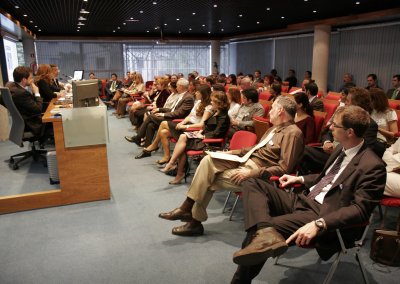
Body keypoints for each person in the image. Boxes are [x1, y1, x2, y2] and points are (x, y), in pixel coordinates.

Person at [231, 105, 386, 283]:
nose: (329, 126)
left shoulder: (373, 166)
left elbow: (361, 210)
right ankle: (265, 231)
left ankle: (240, 278)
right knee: (253, 182)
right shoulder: (340, 149)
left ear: (350, 132)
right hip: (304, 199)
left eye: (335, 125)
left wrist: (320, 223)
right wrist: (301, 180)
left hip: (322, 214)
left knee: (264, 229)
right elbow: (328, 178)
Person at [158, 96, 304, 236]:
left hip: (257, 173)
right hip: (245, 160)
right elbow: (255, 148)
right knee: (208, 160)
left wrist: (253, 173)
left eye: (272, 109)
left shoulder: (293, 133)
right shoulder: (273, 128)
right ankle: (189, 213)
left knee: (208, 179)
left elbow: (285, 168)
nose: (269, 111)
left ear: (281, 111)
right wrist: (231, 152)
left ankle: (192, 218)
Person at [161, 91, 230, 184]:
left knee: (182, 145)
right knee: (182, 138)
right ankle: (174, 166)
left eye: (213, 101)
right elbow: (207, 126)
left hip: (210, 142)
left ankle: (175, 169)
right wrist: (200, 131)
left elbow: (217, 133)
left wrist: (203, 135)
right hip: (202, 137)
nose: (211, 102)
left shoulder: (224, 117)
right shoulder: (216, 113)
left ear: (219, 103)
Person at [138, 84, 212, 162]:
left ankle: (154, 145)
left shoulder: (208, 107)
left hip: (193, 129)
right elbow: (189, 116)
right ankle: (166, 157)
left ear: (203, 94)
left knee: (163, 123)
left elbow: (201, 125)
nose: (195, 93)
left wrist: (185, 127)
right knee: (163, 132)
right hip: (187, 125)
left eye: (198, 92)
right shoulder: (198, 102)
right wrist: (182, 123)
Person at [125, 78, 194, 150]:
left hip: (176, 120)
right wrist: (160, 109)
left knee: (150, 116)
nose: (176, 88)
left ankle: (138, 137)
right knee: (150, 125)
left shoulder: (188, 97)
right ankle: (147, 147)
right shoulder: (182, 95)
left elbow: (180, 113)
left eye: (177, 86)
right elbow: (173, 109)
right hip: (171, 116)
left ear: (181, 87)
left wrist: (164, 114)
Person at [5, 66, 43, 136]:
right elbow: (38, 109)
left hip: (24, 120)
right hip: (32, 124)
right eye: (31, 78)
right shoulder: (21, 93)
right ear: (24, 80)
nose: (33, 80)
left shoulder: (11, 86)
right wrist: (37, 93)